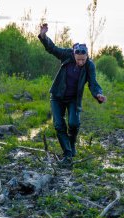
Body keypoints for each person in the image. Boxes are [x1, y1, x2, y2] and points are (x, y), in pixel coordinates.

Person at [38, 23, 107, 166]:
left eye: (83, 59)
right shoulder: (66, 55)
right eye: (78, 59)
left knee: (74, 124)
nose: (81, 62)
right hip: (57, 96)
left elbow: (93, 83)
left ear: (87, 56)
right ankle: (68, 155)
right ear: (74, 55)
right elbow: (52, 48)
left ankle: (72, 144)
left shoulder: (90, 65)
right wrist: (43, 36)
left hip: (73, 99)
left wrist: (98, 94)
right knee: (59, 125)